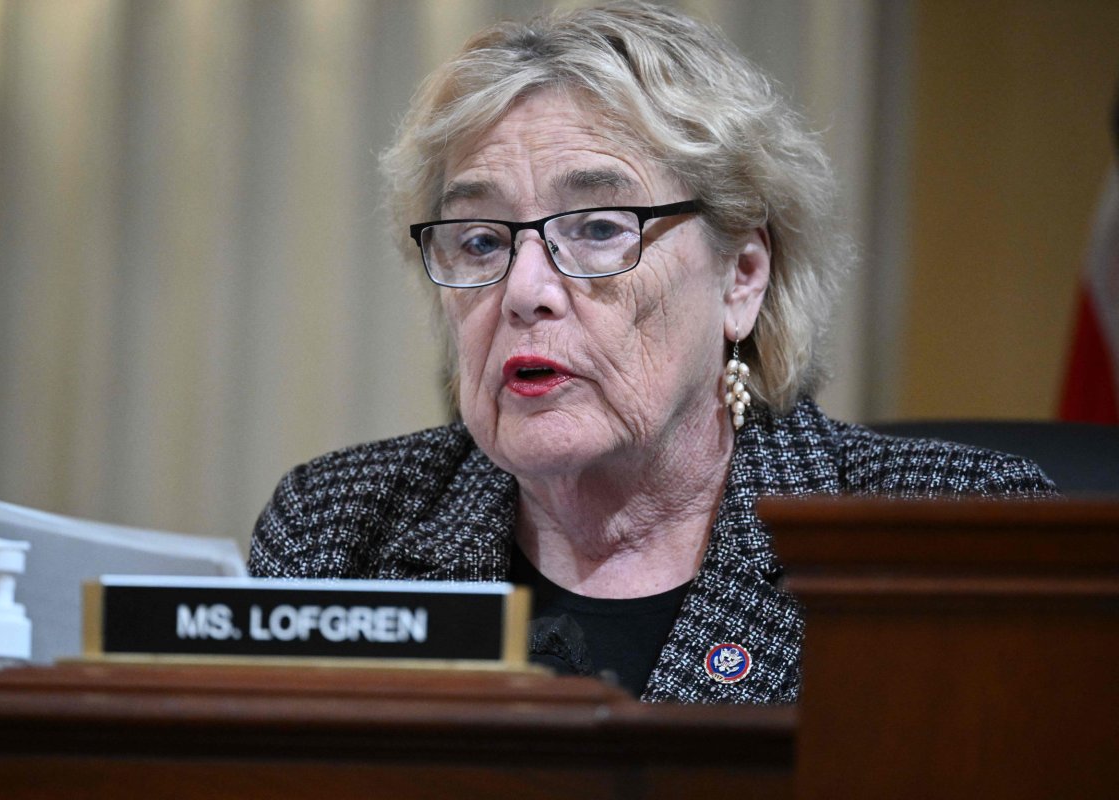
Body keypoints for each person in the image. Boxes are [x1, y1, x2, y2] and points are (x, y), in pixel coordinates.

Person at [248, 1, 1055, 703]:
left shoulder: (950, 544)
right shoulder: (341, 530)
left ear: (742, 277)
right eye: (482, 239)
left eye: (600, 227)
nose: (525, 288)